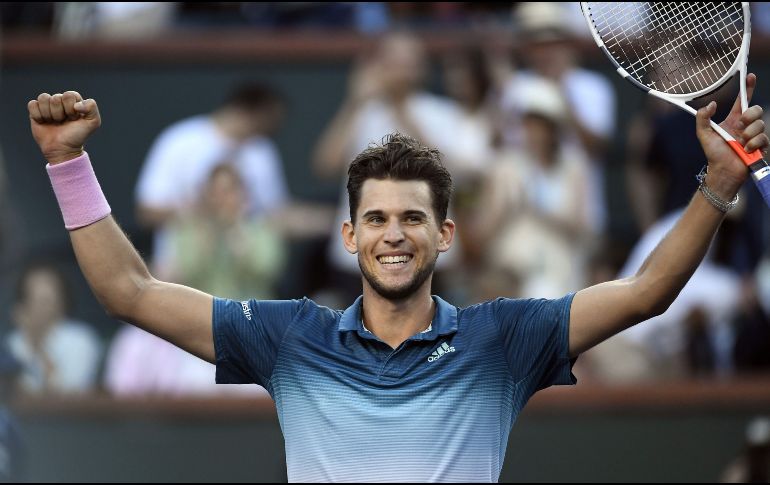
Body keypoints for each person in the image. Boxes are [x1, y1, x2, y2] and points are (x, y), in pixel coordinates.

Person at [26, 76, 768, 481]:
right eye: (376, 218)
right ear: (349, 235)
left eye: (412, 219)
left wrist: (717, 181)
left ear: (444, 234)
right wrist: (68, 163)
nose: (393, 235)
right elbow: (129, 292)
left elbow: (647, 293)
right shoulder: (290, 336)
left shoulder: (502, 337)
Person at [7, 262, 103, 394]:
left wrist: (38, 345)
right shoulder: (13, 343)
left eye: (47, 299)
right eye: (35, 297)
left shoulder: (81, 339)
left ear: (62, 299)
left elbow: (69, 392)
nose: (41, 303)